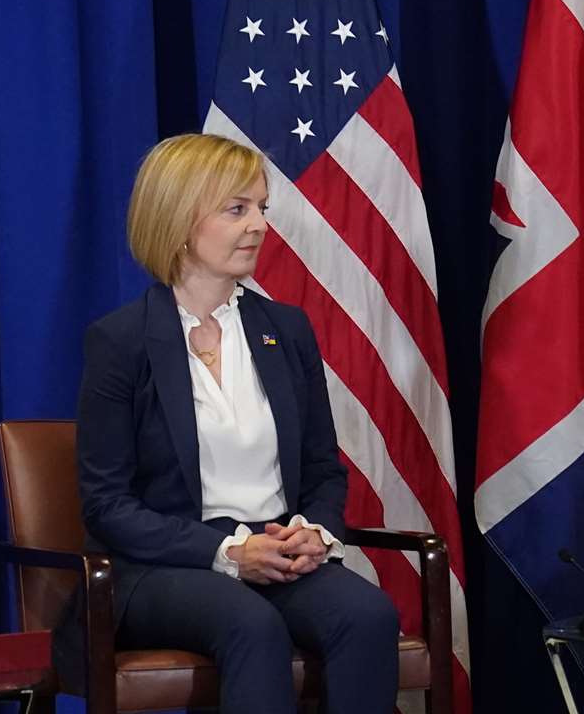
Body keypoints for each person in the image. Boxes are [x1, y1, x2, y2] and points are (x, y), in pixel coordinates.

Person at [73, 133, 398, 713]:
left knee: (368, 613)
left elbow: (324, 468)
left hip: (275, 551)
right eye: (237, 209)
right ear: (178, 216)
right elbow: (106, 505)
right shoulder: (121, 342)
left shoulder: (287, 329)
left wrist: (316, 534)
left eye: (261, 209)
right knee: (250, 622)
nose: (259, 226)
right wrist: (227, 551)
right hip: (164, 566)